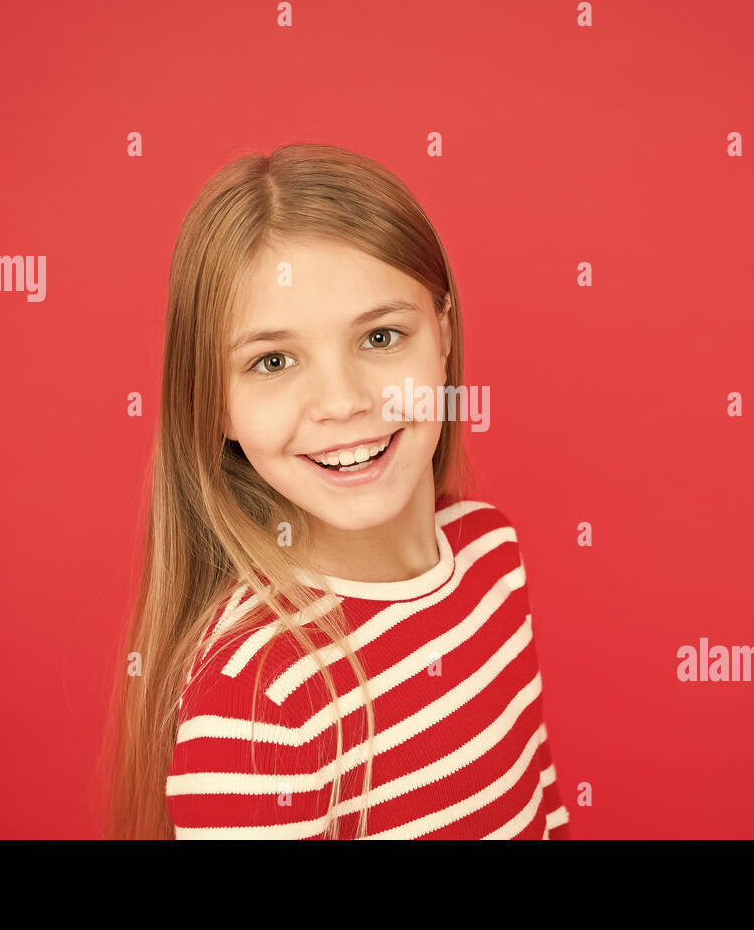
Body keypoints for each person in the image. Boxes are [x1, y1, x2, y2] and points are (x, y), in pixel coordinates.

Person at [102, 143, 569, 839]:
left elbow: (543, 808)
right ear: (215, 404)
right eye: (273, 360)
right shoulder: (260, 700)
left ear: (443, 331)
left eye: (381, 336)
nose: (342, 402)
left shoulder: (491, 553)